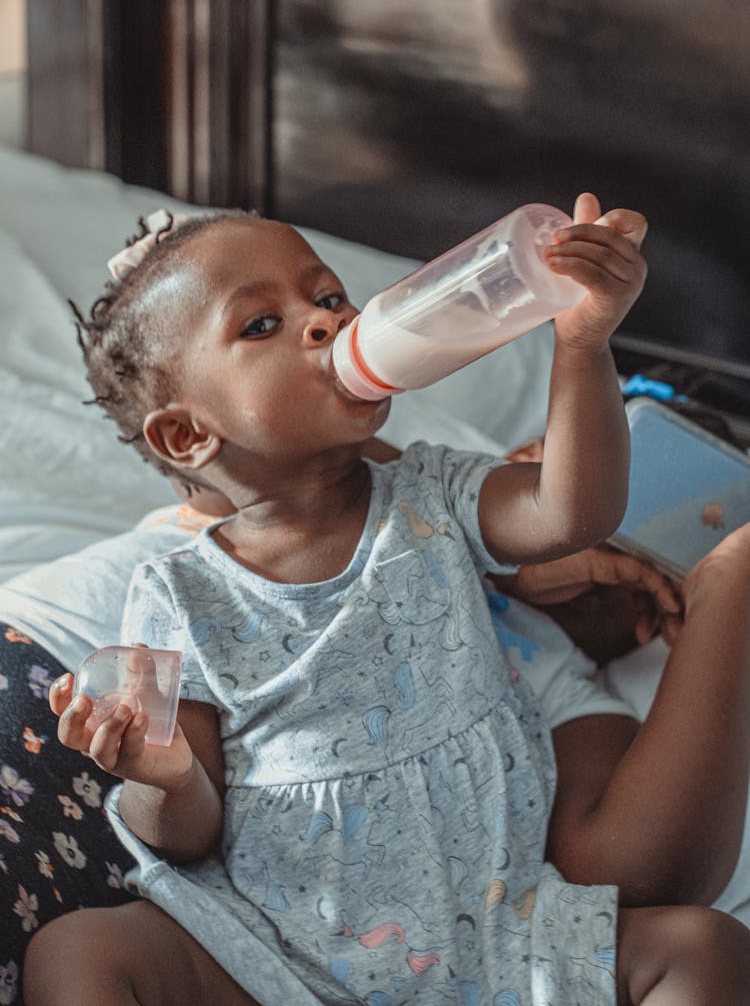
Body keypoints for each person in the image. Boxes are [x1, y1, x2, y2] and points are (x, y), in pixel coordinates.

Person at [22, 199, 750, 1004]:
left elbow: (572, 512)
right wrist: (163, 777)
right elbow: (186, 836)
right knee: (79, 951)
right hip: (279, 952)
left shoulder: (432, 494)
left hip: (496, 936)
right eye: (262, 324)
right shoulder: (176, 593)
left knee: (705, 944)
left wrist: (582, 343)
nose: (326, 322)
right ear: (187, 436)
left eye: (329, 297)